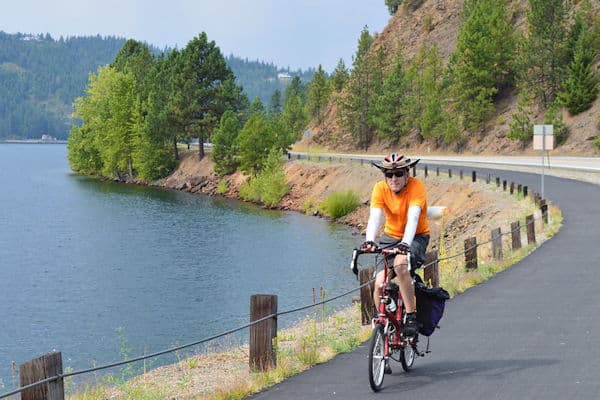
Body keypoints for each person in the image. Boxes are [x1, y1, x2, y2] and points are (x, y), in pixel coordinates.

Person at [360, 153, 430, 340]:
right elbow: (375, 217)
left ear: (407, 174)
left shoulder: (417, 187)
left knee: (400, 266)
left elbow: (413, 217)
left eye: (398, 174)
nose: (393, 179)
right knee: (380, 283)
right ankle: (382, 320)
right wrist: (369, 241)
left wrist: (406, 244)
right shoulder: (380, 189)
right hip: (390, 236)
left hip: (416, 236)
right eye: (388, 175)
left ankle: (411, 316)